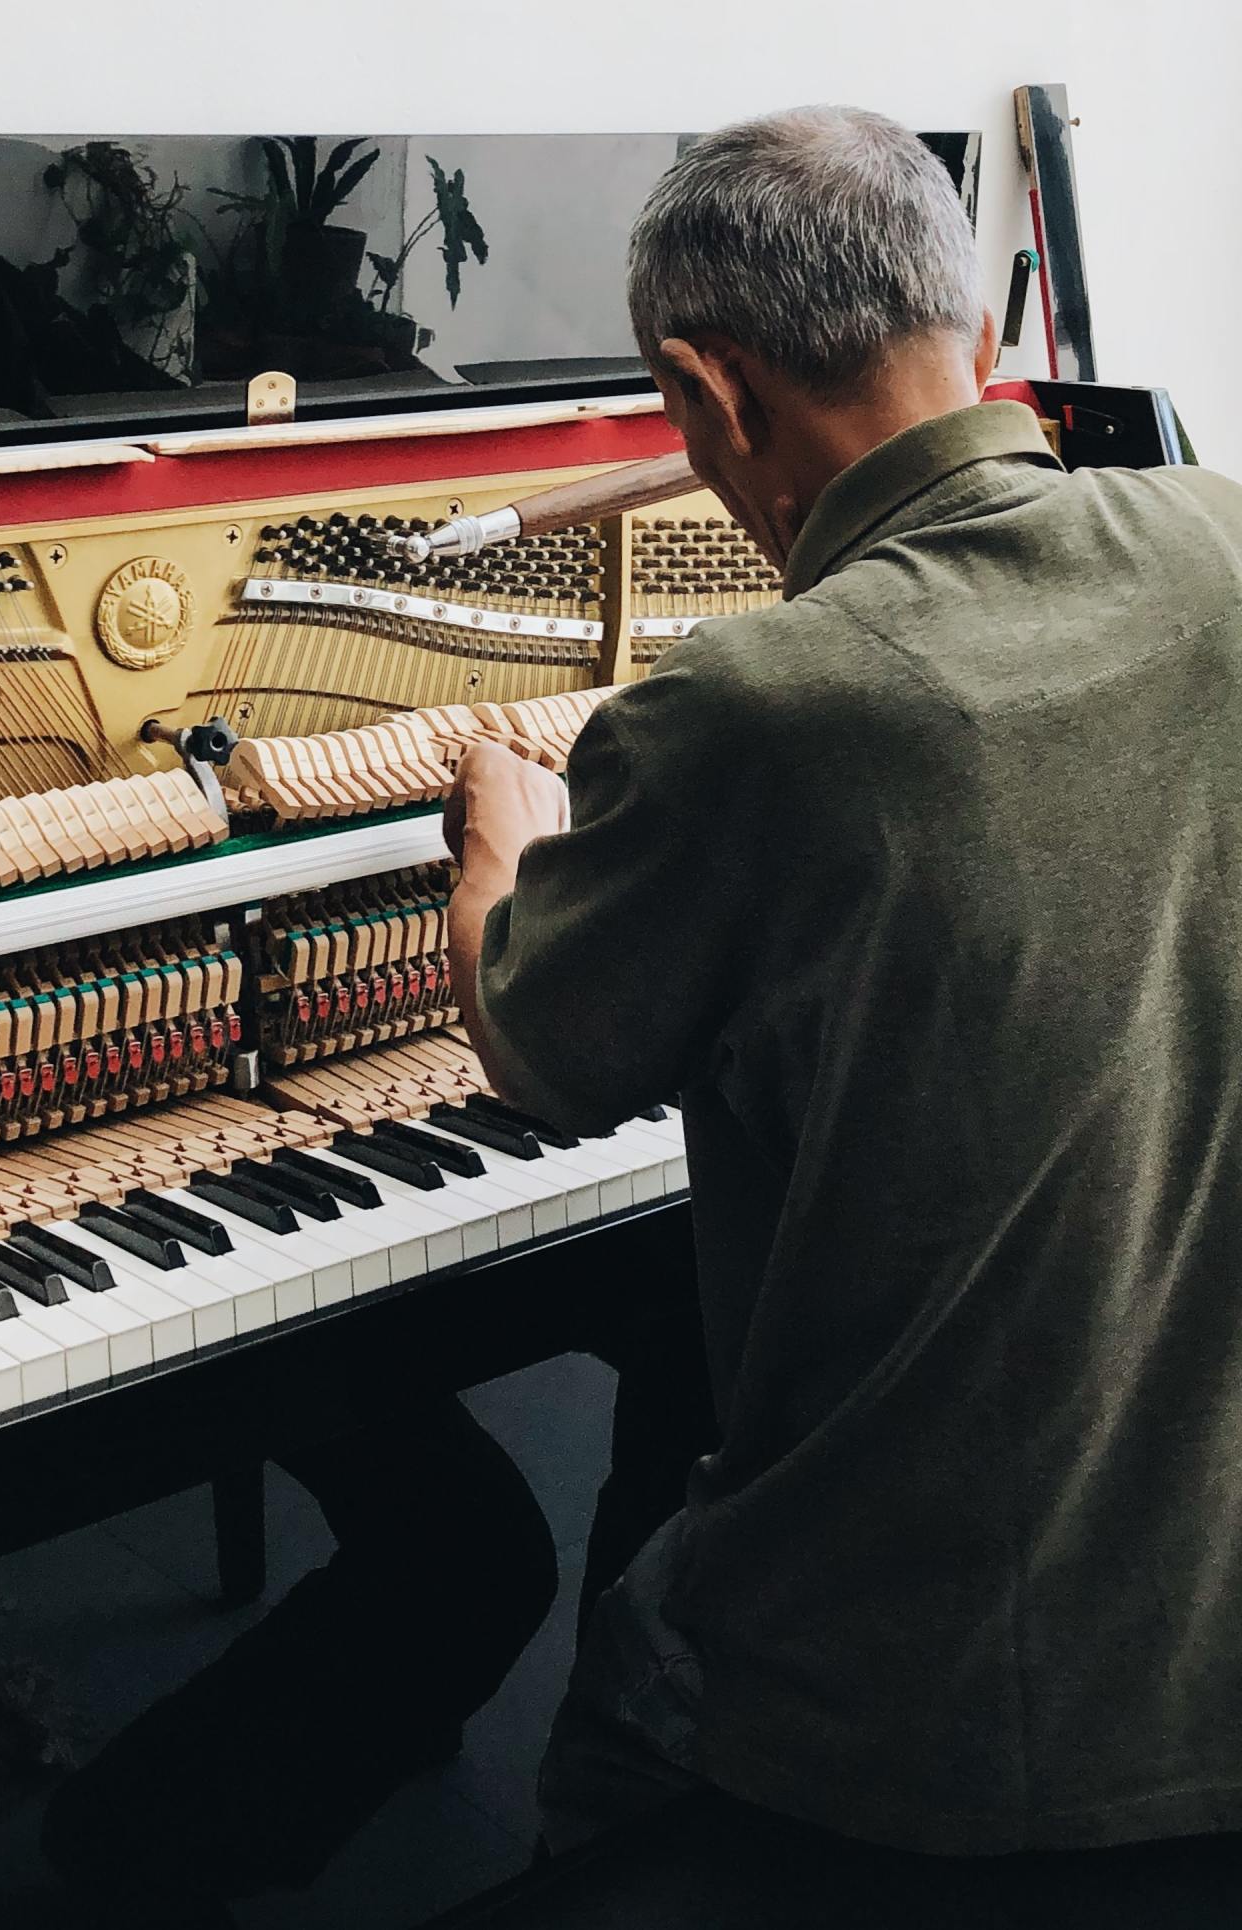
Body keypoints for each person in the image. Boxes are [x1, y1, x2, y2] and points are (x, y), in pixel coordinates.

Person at [449, 102, 1242, 1862]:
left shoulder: (753, 711)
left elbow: (538, 1048)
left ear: (707, 391)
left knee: (603, 1736)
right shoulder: (1230, 546)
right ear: (977, 332)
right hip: (1211, 1607)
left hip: (930, 1716)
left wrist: (498, 836)